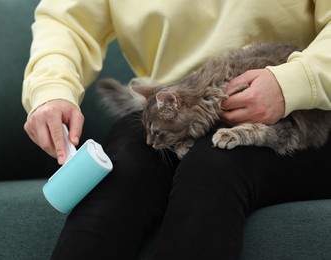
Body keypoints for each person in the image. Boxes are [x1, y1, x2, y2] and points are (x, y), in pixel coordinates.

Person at [22, 0, 331, 259]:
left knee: (211, 170)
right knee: (120, 177)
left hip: (302, 113)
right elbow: (67, 22)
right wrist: (51, 90)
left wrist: (294, 82)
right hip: (170, 108)